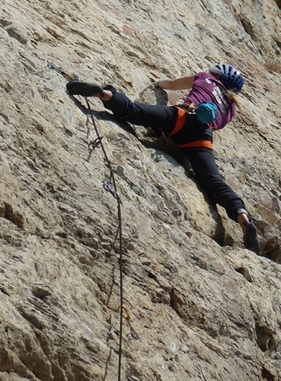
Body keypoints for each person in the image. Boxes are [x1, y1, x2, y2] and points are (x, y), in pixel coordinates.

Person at [66, 64, 260, 254]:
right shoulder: (230, 109)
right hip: (201, 136)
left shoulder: (205, 78)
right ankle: (243, 218)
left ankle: (104, 94)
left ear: (216, 75)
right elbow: (215, 125)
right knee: (213, 181)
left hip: (182, 116)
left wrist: (158, 84)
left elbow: (173, 84)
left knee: (135, 112)